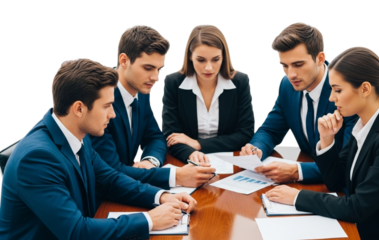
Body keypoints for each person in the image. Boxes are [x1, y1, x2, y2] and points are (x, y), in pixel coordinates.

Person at [0, 58, 197, 239]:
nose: (112, 114)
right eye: (107, 106)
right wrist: (150, 220)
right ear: (79, 108)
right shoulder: (37, 159)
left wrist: (161, 196)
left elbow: (109, 180)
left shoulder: (75, 131)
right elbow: (76, 232)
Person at [265, 46, 379, 239]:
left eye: (338, 90)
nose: (331, 98)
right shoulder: (364, 125)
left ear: (364, 89)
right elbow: (336, 181)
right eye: (331, 89)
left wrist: (296, 197)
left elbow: (357, 207)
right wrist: (327, 139)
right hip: (369, 225)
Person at [90, 25, 215, 191]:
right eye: (148, 68)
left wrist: (150, 161)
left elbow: (155, 136)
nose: (156, 78)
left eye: (159, 70)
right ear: (124, 61)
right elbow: (110, 170)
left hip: (128, 185)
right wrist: (176, 176)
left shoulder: (140, 91)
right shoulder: (98, 100)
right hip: (100, 196)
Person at [240, 22, 357, 183]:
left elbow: (350, 162)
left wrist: (298, 171)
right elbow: (270, 130)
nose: (291, 74)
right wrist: (256, 149)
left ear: (320, 58)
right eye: (284, 66)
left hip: (343, 190)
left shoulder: (348, 90)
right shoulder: (287, 85)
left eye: (298, 64)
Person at [161, 24, 255, 163]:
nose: (209, 67)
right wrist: (191, 154)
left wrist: (198, 144)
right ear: (190, 56)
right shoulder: (173, 82)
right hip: (186, 160)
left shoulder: (239, 81)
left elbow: (246, 134)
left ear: (223, 57)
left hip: (231, 160)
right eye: (201, 60)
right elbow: (171, 136)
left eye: (215, 59)